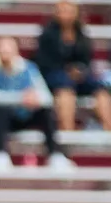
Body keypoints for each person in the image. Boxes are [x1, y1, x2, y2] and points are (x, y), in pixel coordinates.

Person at [0, 37, 72, 172]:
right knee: (0, 110)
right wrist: (20, 97)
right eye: (2, 48)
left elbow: (46, 97)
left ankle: (55, 155)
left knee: (46, 112)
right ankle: (1, 155)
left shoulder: (28, 68)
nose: (5, 51)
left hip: (23, 115)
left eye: (9, 48)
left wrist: (35, 99)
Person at [35, 0, 111, 132]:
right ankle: (68, 131)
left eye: (69, 11)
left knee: (101, 89)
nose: (66, 14)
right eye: (62, 11)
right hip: (54, 75)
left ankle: (108, 128)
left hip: (79, 75)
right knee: (65, 89)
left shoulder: (81, 34)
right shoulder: (47, 35)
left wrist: (79, 69)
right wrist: (67, 70)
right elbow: (44, 62)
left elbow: (86, 59)